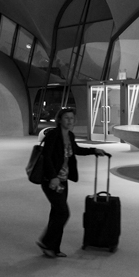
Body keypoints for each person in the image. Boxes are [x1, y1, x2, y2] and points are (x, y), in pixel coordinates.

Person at [36, 107, 109, 258]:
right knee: (63, 212)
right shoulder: (53, 135)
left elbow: (76, 150)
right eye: (66, 118)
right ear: (59, 120)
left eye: (72, 118)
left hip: (63, 180)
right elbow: (47, 157)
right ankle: (46, 242)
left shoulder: (69, 135)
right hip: (52, 181)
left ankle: (53, 249)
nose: (70, 121)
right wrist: (53, 177)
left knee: (56, 212)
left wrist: (94, 150)